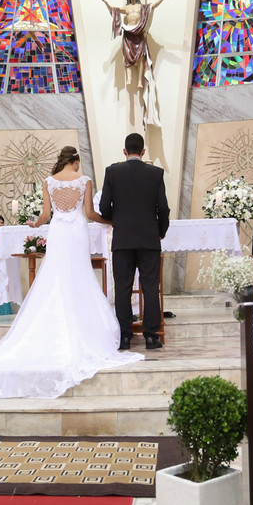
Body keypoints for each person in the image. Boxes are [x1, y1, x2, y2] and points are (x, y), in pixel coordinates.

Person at [0, 146, 142, 398]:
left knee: (56, 275)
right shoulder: (83, 181)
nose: (79, 166)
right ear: (74, 160)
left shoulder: (49, 182)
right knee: (79, 276)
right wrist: (111, 220)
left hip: (58, 232)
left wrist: (35, 224)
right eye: (78, 162)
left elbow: (44, 215)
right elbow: (88, 213)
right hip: (76, 232)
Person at [99, 132, 169, 350]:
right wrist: (161, 231)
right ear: (143, 152)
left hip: (123, 240)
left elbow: (103, 207)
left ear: (124, 151)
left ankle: (124, 336)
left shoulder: (112, 172)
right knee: (150, 287)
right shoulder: (156, 173)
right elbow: (163, 208)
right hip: (149, 239)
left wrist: (118, 220)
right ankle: (150, 336)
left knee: (123, 288)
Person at [101, 0, 172, 126]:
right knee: (127, 57)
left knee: (140, 57)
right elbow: (114, 11)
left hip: (138, 33)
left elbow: (154, 5)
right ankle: (129, 78)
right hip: (128, 34)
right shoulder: (126, 8)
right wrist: (105, 2)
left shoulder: (141, 7)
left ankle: (139, 80)